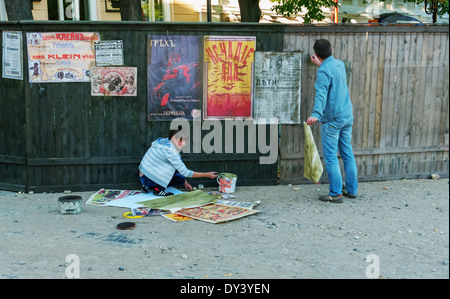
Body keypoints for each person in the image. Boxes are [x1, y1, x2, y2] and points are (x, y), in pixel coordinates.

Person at [306, 39, 358, 203]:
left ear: (316, 54)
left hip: (333, 119)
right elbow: (331, 74)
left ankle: (335, 193)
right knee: (347, 153)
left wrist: (316, 113)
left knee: (330, 157)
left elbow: (321, 93)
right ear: (331, 50)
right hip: (347, 115)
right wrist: (321, 64)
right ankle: (352, 190)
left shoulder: (324, 71)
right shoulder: (339, 64)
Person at [139, 128, 218, 196]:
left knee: (181, 179)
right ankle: (157, 189)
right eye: (182, 141)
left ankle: (147, 186)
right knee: (177, 166)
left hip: (144, 174)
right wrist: (207, 174)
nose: (184, 144)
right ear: (173, 138)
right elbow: (185, 172)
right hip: (148, 178)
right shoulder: (171, 151)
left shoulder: (162, 141)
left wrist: (185, 181)